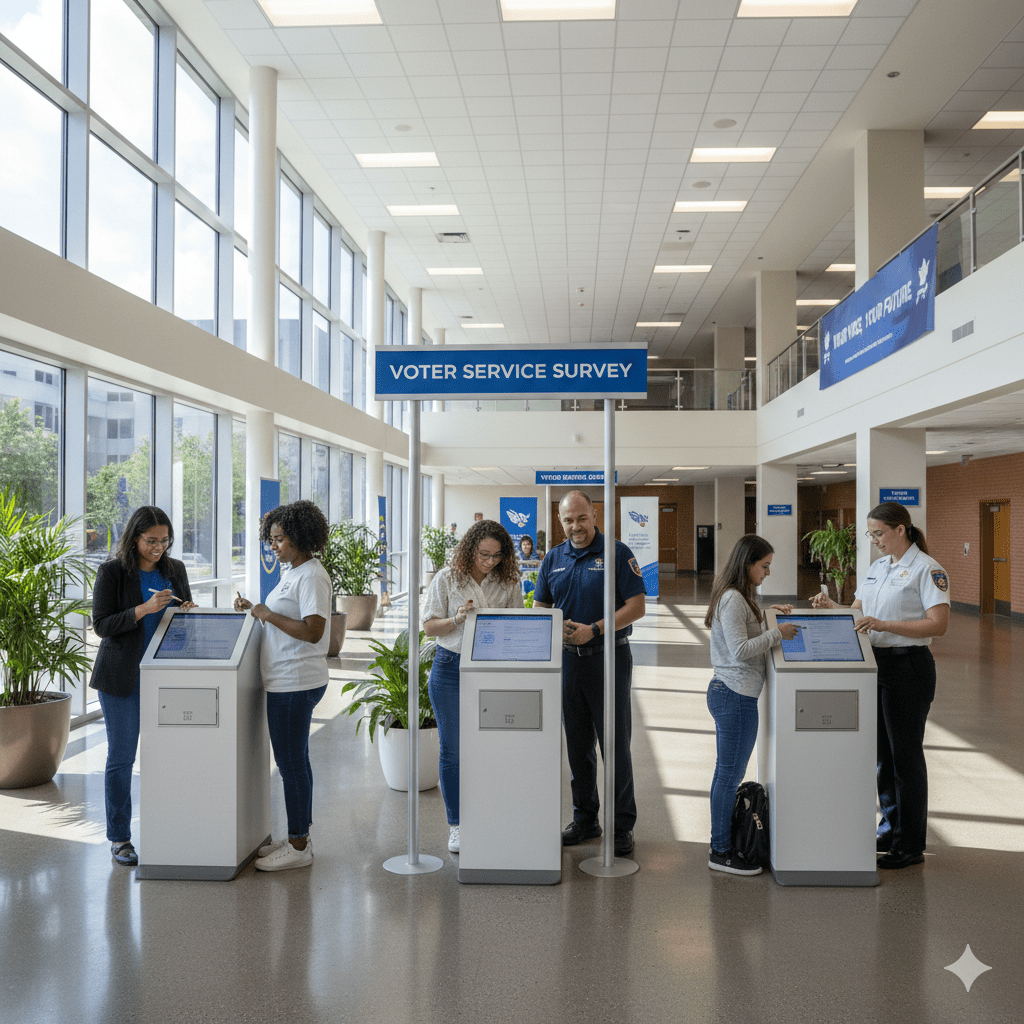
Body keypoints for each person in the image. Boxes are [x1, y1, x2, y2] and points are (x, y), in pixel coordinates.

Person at [811, 501, 949, 869]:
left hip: (909, 668)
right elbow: (859, 613)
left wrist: (887, 625)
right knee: (882, 757)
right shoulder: (877, 568)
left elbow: (937, 624)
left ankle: (910, 844)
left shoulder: (927, 569)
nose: (874, 541)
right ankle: (890, 828)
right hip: (877, 666)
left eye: (879, 534)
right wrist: (832, 607)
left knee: (905, 757)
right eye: (870, 535)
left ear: (900, 529)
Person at [533, 490, 646, 857]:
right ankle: (585, 819)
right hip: (568, 663)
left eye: (582, 518)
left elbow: (637, 606)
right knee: (578, 745)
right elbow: (541, 605)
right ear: (560, 522)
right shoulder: (553, 559)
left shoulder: (616, 553)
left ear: (594, 514)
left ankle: (621, 825)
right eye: (568, 520)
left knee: (614, 744)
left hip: (608, 657)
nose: (576, 526)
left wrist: (594, 629)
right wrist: (551, 628)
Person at [90, 506, 196, 866]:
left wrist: (188, 611)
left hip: (165, 676)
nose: (159, 548)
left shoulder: (175, 569)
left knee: (169, 755)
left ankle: (169, 828)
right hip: (123, 678)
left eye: (164, 541)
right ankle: (120, 838)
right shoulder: (112, 572)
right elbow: (102, 626)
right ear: (134, 537)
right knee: (122, 757)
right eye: (151, 541)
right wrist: (143, 609)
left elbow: (184, 614)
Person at [235, 500, 331, 872]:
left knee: (290, 764)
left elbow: (313, 630)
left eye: (279, 539)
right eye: (271, 540)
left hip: (295, 681)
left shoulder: (310, 575)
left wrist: (267, 613)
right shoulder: (294, 571)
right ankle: (297, 834)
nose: (273, 546)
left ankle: (298, 846)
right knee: (296, 762)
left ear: (299, 537)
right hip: (285, 679)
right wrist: (255, 610)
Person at [422, 520, 524, 853]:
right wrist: (457, 619)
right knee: (453, 749)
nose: (490, 561)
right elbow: (429, 628)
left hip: (491, 670)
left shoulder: (509, 581)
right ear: (471, 548)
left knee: (491, 746)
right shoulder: (447, 578)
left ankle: (490, 813)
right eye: (484, 554)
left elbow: (517, 624)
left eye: (497, 556)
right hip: (449, 668)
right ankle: (458, 825)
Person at [704, 535, 799, 876]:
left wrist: (771, 616)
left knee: (727, 774)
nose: (767, 573)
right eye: (764, 566)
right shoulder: (732, 599)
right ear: (747, 564)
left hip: (734, 694)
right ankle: (721, 850)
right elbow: (740, 649)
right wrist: (778, 633)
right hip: (734, 695)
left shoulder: (742, 597)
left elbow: (745, 632)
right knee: (728, 776)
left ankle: (721, 841)